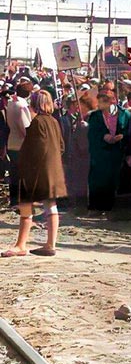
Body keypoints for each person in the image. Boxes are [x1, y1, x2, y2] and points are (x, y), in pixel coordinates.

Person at [2, 91, 66, 257]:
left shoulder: (37, 122)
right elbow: (61, 146)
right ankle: (50, 244)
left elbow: (32, 148)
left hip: (36, 170)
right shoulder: (54, 121)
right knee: (51, 205)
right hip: (53, 169)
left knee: (26, 207)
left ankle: (21, 245)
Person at [87, 91, 131, 213]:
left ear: (111, 101)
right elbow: (92, 134)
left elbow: (129, 131)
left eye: (102, 102)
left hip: (118, 152)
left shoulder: (124, 114)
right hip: (101, 154)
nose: (99, 104)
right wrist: (104, 136)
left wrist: (122, 136)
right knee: (99, 180)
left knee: (116, 180)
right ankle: (97, 207)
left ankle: (115, 208)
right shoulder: (95, 116)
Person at [5, 82, 33, 208]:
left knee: (14, 174)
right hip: (21, 144)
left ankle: (14, 199)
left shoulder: (11, 102)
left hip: (12, 142)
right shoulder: (22, 106)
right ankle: (20, 200)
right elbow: (25, 127)